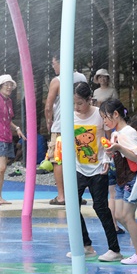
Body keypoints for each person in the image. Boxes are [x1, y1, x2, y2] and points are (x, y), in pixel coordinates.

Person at [66, 82, 121, 262]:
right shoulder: (69, 115)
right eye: (74, 103)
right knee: (72, 206)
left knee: (100, 207)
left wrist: (107, 159)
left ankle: (114, 249)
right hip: (77, 168)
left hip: (98, 168)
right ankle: (85, 245)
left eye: (80, 103)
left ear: (89, 99)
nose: (76, 107)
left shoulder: (99, 114)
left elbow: (107, 139)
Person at [102, 98, 137, 265]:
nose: (104, 121)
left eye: (106, 117)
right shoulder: (115, 134)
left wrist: (119, 148)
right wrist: (109, 157)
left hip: (132, 179)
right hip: (121, 179)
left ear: (116, 114)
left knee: (127, 216)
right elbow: (118, 155)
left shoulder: (128, 132)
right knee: (118, 215)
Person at [43, 56, 87, 205]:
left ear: (61, 62)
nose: (53, 66)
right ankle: (76, 194)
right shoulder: (81, 77)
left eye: (54, 63)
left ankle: (62, 196)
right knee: (76, 160)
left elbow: (48, 106)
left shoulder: (58, 81)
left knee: (58, 161)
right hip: (79, 125)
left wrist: (49, 122)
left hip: (61, 126)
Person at [0, 75, 24, 205]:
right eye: (7, 84)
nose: (9, 87)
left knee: (3, 169)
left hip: (6, 137)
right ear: (0, 86)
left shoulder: (8, 101)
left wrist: (16, 128)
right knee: (0, 167)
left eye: (11, 85)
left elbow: (7, 120)